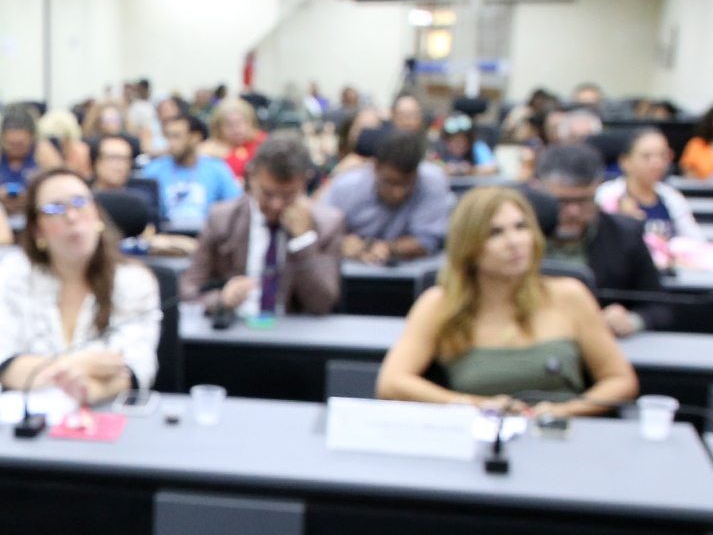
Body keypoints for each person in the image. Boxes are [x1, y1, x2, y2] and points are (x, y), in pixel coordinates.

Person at [377, 186, 638, 415]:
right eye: (495, 233)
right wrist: (475, 406)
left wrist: (563, 412)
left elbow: (620, 381)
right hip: (480, 438)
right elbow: (391, 383)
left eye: (521, 227)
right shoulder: (439, 304)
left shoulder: (570, 295)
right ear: (468, 246)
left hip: (559, 435)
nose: (514, 242)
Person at [0, 167, 162, 402]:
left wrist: (87, 391)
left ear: (97, 215)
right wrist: (80, 364)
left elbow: (135, 368)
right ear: (38, 230)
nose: (72, 217)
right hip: (26, 414)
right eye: (55, 209)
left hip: (107, 411)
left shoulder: (134, 280)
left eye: (80, 203)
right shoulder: (11, 273)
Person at [181, 136, 345, 319]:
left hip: (294, 330)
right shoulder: (222, 219)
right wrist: (221, 299)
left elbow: (322, 303)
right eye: (268, 194)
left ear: (305, 184)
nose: (276, 205)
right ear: (252, 177)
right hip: (236, 327)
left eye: (288, 195)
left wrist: (303, 240)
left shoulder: (327, 224)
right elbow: (187, 291)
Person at [529, 143, 671, 335]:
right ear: (537, 189)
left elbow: (660, 306)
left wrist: (633, 320)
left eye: (584, 200)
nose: (574, 211)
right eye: (562, 201)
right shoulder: (514, 236)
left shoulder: (625, 236)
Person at [322, 127, 453, 263]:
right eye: (390, 182)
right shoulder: (346, 186)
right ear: (375, 167)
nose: (398, 193)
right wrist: (341, 243)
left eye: (407, 184)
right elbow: (320, 233)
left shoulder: (432, 181)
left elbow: (430, 240)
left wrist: (388, 248)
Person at [597, 127, 703, 249]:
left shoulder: (672, 197)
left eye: (663, 155)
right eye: (646, 156)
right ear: (625, 161)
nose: (657, 163)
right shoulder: (605, 195)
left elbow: (697, 242)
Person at [139, 111, 242, 235]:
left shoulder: (217, 169)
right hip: (165, 236)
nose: (171, 143)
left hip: (208, 236)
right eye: (168, 137)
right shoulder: (153, 170)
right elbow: (144, 215)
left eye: (176, 136)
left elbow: (235, 207)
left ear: (195, 138)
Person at [0, 106, 40, 228]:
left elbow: (57, 185)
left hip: (32, 215)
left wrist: (31, 195)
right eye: (10, 144)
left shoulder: (42, 151)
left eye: (21, 144)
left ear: (32, 138)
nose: (15, 149)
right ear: (2, 139)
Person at [203, 96, 266, 181]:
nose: (236, 129)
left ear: (251, 122)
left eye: (241, 122)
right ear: (218, 128)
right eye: (229, 124)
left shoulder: (262, 144)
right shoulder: (209, 150)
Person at [38, 107, 93, 177]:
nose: (58, 141)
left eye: (62, 136)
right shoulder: (41, 150)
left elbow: (86, 176)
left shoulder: (80, 150)